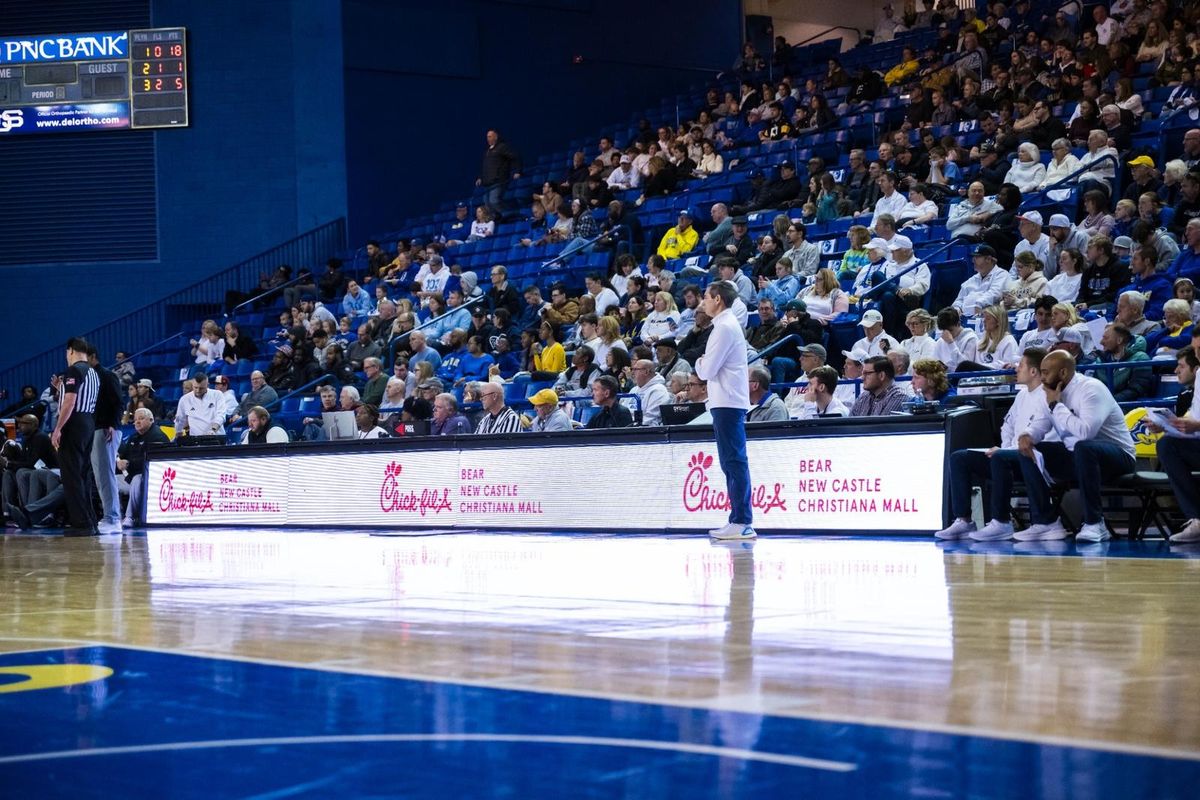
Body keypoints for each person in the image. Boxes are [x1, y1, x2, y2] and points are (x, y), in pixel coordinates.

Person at [1008, 351, 1137, 542]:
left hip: (1118, 457)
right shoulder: (1049, 392)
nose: (1042, 378)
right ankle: (1045, 522)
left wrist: (1056, 406)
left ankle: (1095, 523)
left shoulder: (1091, 389)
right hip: (1078, 457)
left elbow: (1085, 432)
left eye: (1045, 372)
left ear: (1062, 373)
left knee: (1084, 447)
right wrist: (1027, 435)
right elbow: (1039, 424)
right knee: (1030, 449)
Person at [937, 348, 1052, 540]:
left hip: (1034, 458)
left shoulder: (1047, 395)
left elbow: (1043, 436)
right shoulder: (1022, 395)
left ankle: (1001, 522)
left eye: (1021, 365)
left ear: (1033, 371)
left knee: (999, 457)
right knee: (959, 458)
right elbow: (1007, 426)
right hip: (1010, 455)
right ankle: (964, 520)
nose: (1016, 369)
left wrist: (1006, 452)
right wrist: (1007, 448)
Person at [694, 282, 754, 540]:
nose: (702, 302)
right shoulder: (724, 326)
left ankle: (741, 521)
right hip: (725, 401)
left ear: (717, 299)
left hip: (728, 401)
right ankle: (739, 519)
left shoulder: (724, 328)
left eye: (706, 297)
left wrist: (698, 362)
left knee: (734, 461)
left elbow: (706, 370)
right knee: (731, 462)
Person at [1151, 346, 1200, 542]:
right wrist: (1166, 426)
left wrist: (1196, 425)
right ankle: (1196, 519)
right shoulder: (1192, 388)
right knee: (1167, 445)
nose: (1175, 371)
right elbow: (1194, 426)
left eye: (1180, 366)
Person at [52, 338, 99, 535]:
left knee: (71, 475)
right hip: (88, 421)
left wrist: (57, 428)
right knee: (82, 475)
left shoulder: (73, 370)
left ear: (70, 350)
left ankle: (80, 524)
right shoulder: (93, 372)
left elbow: (70, 402)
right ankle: (90, 521)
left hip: (74, 422)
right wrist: (60, 390)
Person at [86, 345, 125, 534]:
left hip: (106, 429)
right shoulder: (88, 378)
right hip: (93, 429)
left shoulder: (107, 375)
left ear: (93, 357)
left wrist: (113, 424)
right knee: (99, 476)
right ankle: (107, 515)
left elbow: (118, 402)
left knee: (105, 475)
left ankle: (113, 518)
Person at [113, 407, 168, 528]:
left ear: (151, 420)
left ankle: (131, 517)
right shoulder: (134, 437)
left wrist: (128, 463)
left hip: (153, 480)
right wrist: (120, 462)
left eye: (141, 419)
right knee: (111, 481)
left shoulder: (157, 436)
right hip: (131, 476)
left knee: (137, 479)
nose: (137, 422)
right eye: (135, 419)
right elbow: (123, 455)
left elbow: (151, 463)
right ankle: (115, 516)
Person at [477, 129, 521, 219]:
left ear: (495, 137)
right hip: (487, 183)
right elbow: (485, 167)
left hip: (498, 181)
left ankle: (511, 216)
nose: (487, 138)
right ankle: (497, 220)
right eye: (487, 137)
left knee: (494, 201)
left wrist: (517, 171)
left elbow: (515, 157)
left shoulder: (502, 147)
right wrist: (480, 178)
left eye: (490, 136)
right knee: (487, 203)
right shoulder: (487, 152)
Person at [174, 373, 227, 438]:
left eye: (201, 388)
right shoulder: (184, 399)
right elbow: (180, 419)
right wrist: (178, 432)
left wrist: (213, 430)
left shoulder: (218, 394)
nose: (198, 390)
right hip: (195, 439)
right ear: (192, 385)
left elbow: (221, 415)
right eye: (195, 387)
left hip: (217, 436)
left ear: (207, 385)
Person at [629, 359, 672, 426]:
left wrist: (628, 425)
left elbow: (650, 418)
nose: (632, 373)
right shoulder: (633, 390)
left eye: (635, 369)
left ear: (646, 372)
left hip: (645, 432)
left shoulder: (659, 390)